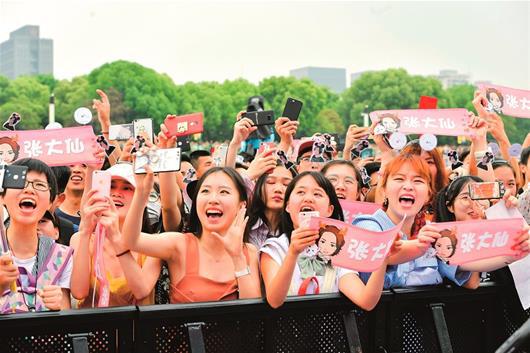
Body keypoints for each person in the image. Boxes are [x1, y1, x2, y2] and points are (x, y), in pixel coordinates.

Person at [122, 166, 261, 303]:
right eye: (205, 191)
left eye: (224, 192)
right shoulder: (179, 244)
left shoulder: (249, 252)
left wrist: (238, 258)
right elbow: (131, 241)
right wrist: (141, 193)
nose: (213, 199)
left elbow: (252, 312)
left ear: (241, 205)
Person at [260, 171, 393, 310]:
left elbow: (366, 301)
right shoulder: (273, 248)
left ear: (330, 210)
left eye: (317, 194)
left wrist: (383, 259)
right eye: (300, 192)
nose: (308, 199)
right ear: (287, 206)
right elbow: (274, 300)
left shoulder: (340, 250)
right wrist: (292, 253)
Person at [352, 154, 478, 289]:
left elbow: (470, 282)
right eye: (399, 179)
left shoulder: (434, 232)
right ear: (384, 190)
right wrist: (420, 245)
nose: (408, 186)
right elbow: (381, 253)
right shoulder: (365, 225)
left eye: (418, 181)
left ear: (429, 194)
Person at [70, 163, 161, 308]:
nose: (116, 193)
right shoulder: (81, 238)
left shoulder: (152, 245)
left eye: (127, 188)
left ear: (141, 197)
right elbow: (79, 292)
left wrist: (115, 237)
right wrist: (86, 232)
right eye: (111, 186)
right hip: (93, 329)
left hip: (134, 329)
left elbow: (141, 291)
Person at [0, 158, 73, 313]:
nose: (29, 190)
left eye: (39, 185)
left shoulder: (62, 255)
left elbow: (67, 316)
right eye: (21, 182)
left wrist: (59, 306)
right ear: (2, 196)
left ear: (51, 201)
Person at [244, 164, 294, 249]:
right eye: (271, 182)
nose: (278, 189)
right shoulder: (242, 221)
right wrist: (247, 176)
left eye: (286, 184)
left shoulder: (297, 232)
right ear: (258, 187)